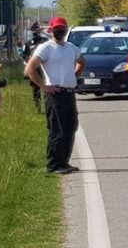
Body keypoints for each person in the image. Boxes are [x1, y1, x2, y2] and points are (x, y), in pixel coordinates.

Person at [24, 17, 85, 175]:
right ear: (51, 31)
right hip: (55, 94)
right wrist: (43, 86)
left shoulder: (71, 47)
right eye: (57, 29)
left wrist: (73, 76)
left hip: (69, 93)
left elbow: (81, 62)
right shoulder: (45, 48)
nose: (60, 32)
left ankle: (64, 162)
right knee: (57, 130)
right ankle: (53, 164)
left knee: (70, 127)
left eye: (62, 29)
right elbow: (30, 69)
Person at [21, 24, 49, 112]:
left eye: (37, 30)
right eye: (34, 31)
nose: (35, 32)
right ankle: (37, 106)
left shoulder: (45, 41)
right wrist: (28, 59)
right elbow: (24, 55)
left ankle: (48, 105)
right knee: (35, 88)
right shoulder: (29, 43)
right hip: (35, 68)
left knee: (47, 86)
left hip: (45, 67)